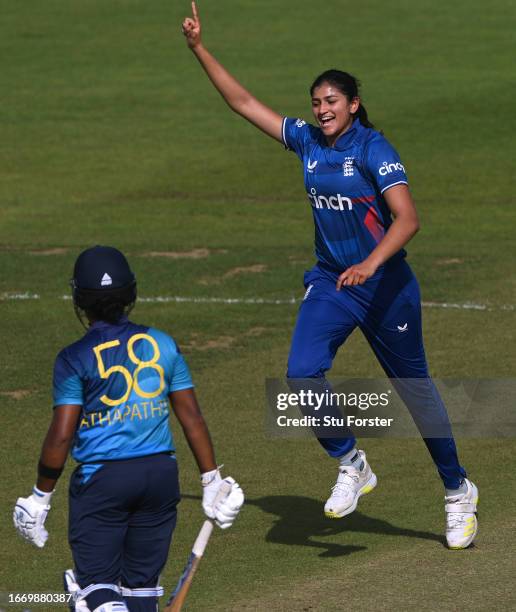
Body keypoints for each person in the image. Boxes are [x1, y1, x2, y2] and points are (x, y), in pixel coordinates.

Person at [181, 2, 478, 549]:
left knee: (414, 391)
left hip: (385, 289)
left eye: (332, 101)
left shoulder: (373, 148)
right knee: (301, 376)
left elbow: (409, 218)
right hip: (332, 283)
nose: (322, 110)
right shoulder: (308, 144)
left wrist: (370, 263)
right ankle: (351, 460)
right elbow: (243, 103)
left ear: (354, 104)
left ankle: (457, 491)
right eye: (316, 103)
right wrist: (200, 48)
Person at [13, 245, 244, 612]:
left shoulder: (74, 358)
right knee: (141, 591)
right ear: (130, 294)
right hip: (161, 478)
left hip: (103, 482)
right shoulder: (162, 343)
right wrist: (211, 479)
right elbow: (192, 418)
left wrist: (40, 497)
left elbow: (61, 434)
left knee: (96, 589)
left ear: (79, 299)